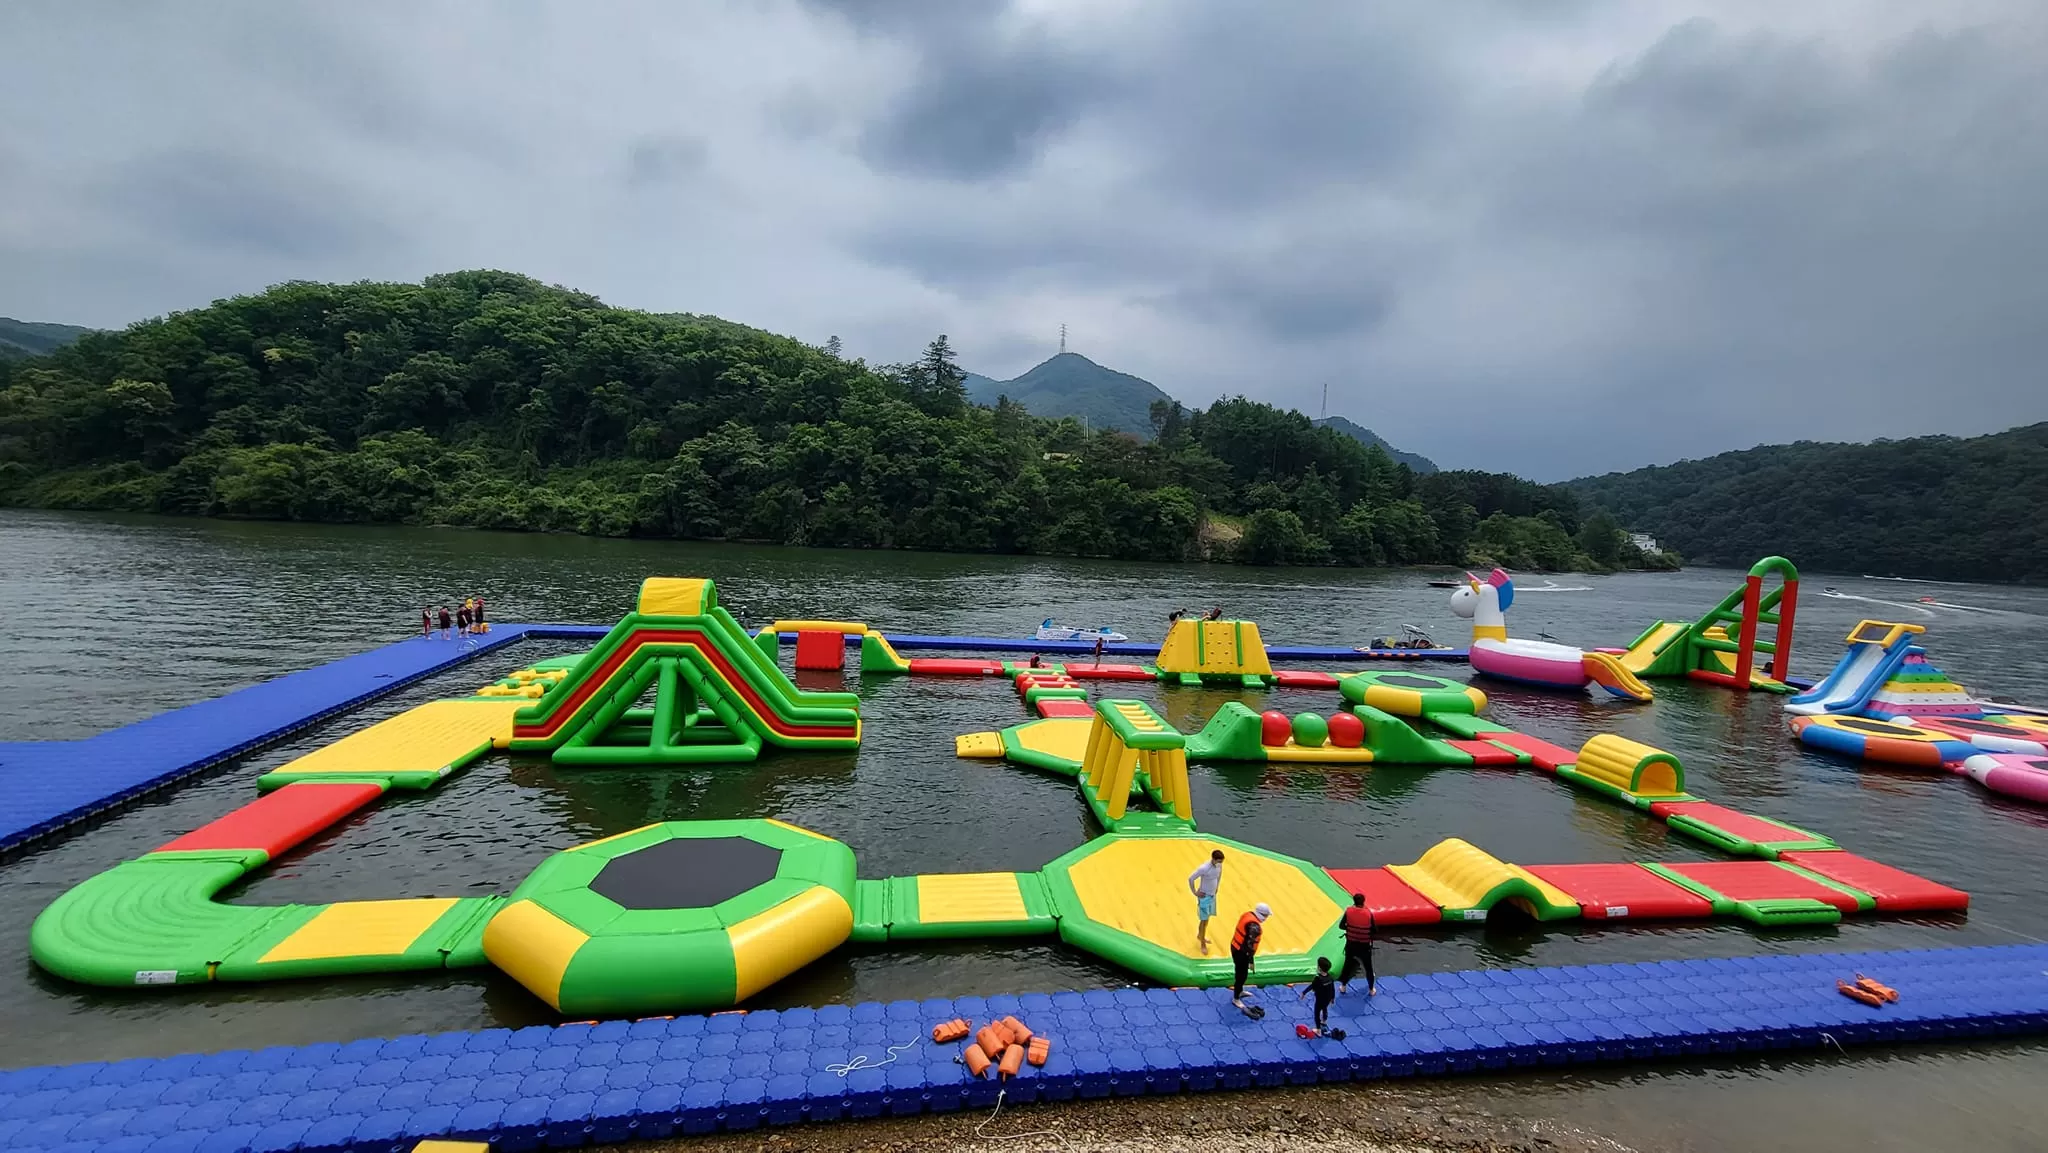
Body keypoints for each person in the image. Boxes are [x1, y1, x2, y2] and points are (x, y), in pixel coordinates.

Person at [1229, 902, 1270, 1008]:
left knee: (1242, 974)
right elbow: (1249, 946)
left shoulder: (1248, 915)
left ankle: (1240, 991)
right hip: (1241, 952)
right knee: (1241, 975)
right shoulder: (1254, 927)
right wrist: (1251, 961)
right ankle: (1236, 998)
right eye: (1266, 916)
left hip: (1236, 947)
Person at [1336, 892, 1377, 997]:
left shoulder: (1348, 911)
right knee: (1368, 968)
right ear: (1363, 902)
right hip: (1364, 946)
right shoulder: (1368, 913)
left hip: (1351, 944)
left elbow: (1341, 926)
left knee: (1347, 965)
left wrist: (1350, 929)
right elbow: (1374, 930)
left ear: (1353, 901)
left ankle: (1343, 987)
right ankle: (1371, 989)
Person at [1187, 849, 1224, 954]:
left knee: (1207, 920)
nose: (1220, 864)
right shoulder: (1204, 868)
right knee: (1203, 921)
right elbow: (1191, 879)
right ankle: (1202, 943)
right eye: (1218, 861)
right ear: (1213, 859)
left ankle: (1200, 935)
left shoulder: (1219, 866)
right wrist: (1194, 892)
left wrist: (1217, 886)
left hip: (1212, 896)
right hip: (1204, 897)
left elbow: (1219, 874)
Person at [1299, 955, 1337, 1034]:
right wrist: (1332, 998)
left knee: (1317, 1013)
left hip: (1320, 999)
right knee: (1325, 1009)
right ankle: (1324, 1021)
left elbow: (1312, 986)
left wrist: (1304, 992)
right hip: (1327, 998)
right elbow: (1332, 988)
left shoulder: (1318, 978)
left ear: (1319, 968)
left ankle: (1318, 1030)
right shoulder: (1330, 977)